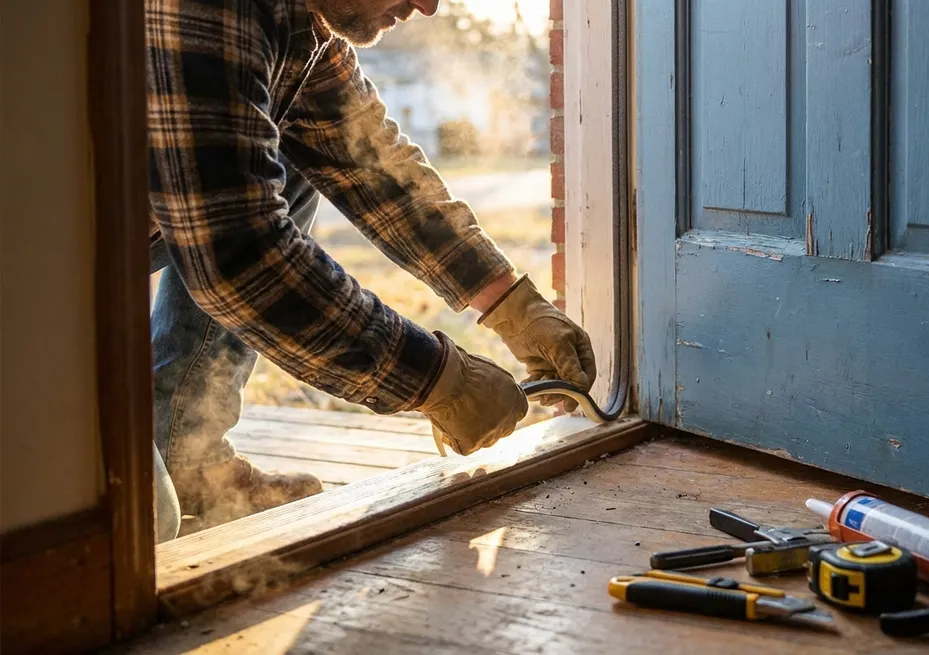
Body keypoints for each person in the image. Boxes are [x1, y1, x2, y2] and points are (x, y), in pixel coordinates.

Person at [146, 0, 595, 542]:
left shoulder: (298, 24)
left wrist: (512, 305)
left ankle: (189, 459)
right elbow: (241, 257)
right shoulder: (210, 10)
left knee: (289, 154)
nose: (428, 6)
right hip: (33, 291)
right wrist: (436, 379)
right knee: (147, 525)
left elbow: (378, 170)